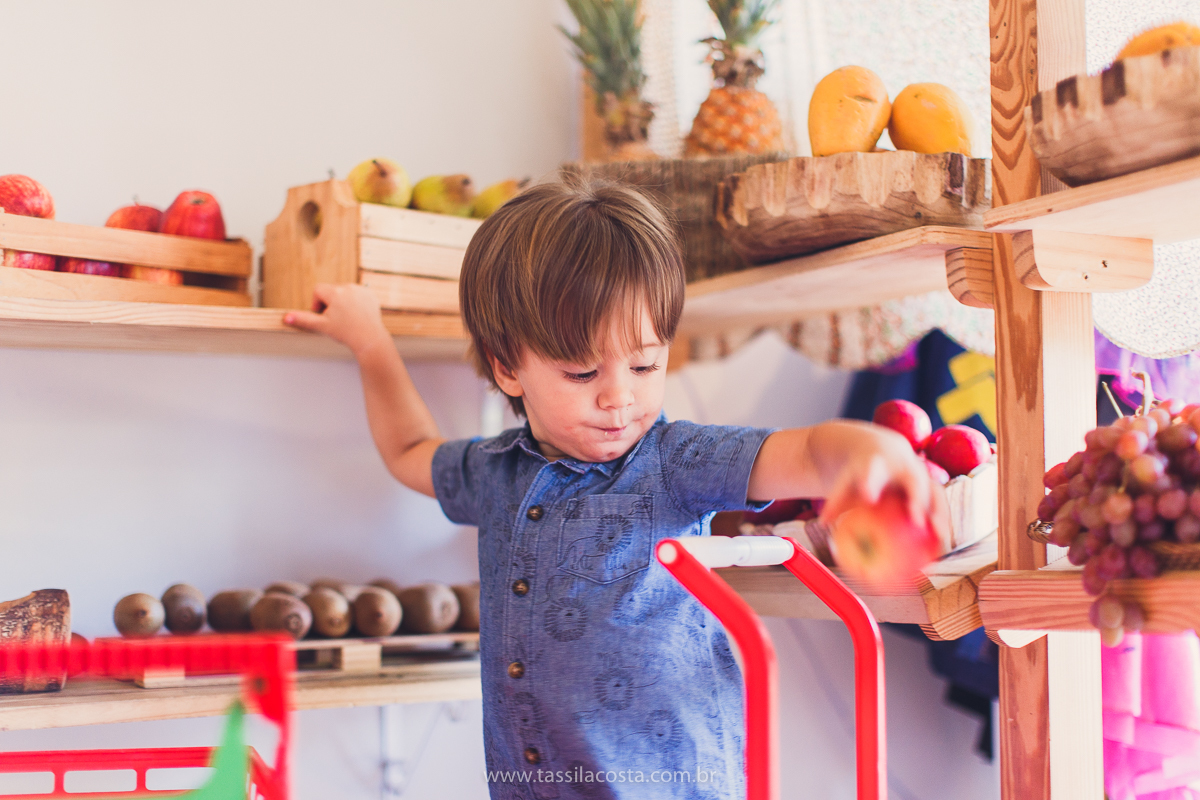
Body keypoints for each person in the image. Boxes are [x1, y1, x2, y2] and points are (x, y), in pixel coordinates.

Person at [285, 179, 946, 799]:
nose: (619, 397)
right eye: (580, 371)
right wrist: (370, 343)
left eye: (644, 363)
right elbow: (407, 451)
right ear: (507, 366)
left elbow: (804, 450)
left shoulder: (675, 459)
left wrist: (873, 454)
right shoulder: (496, 472)